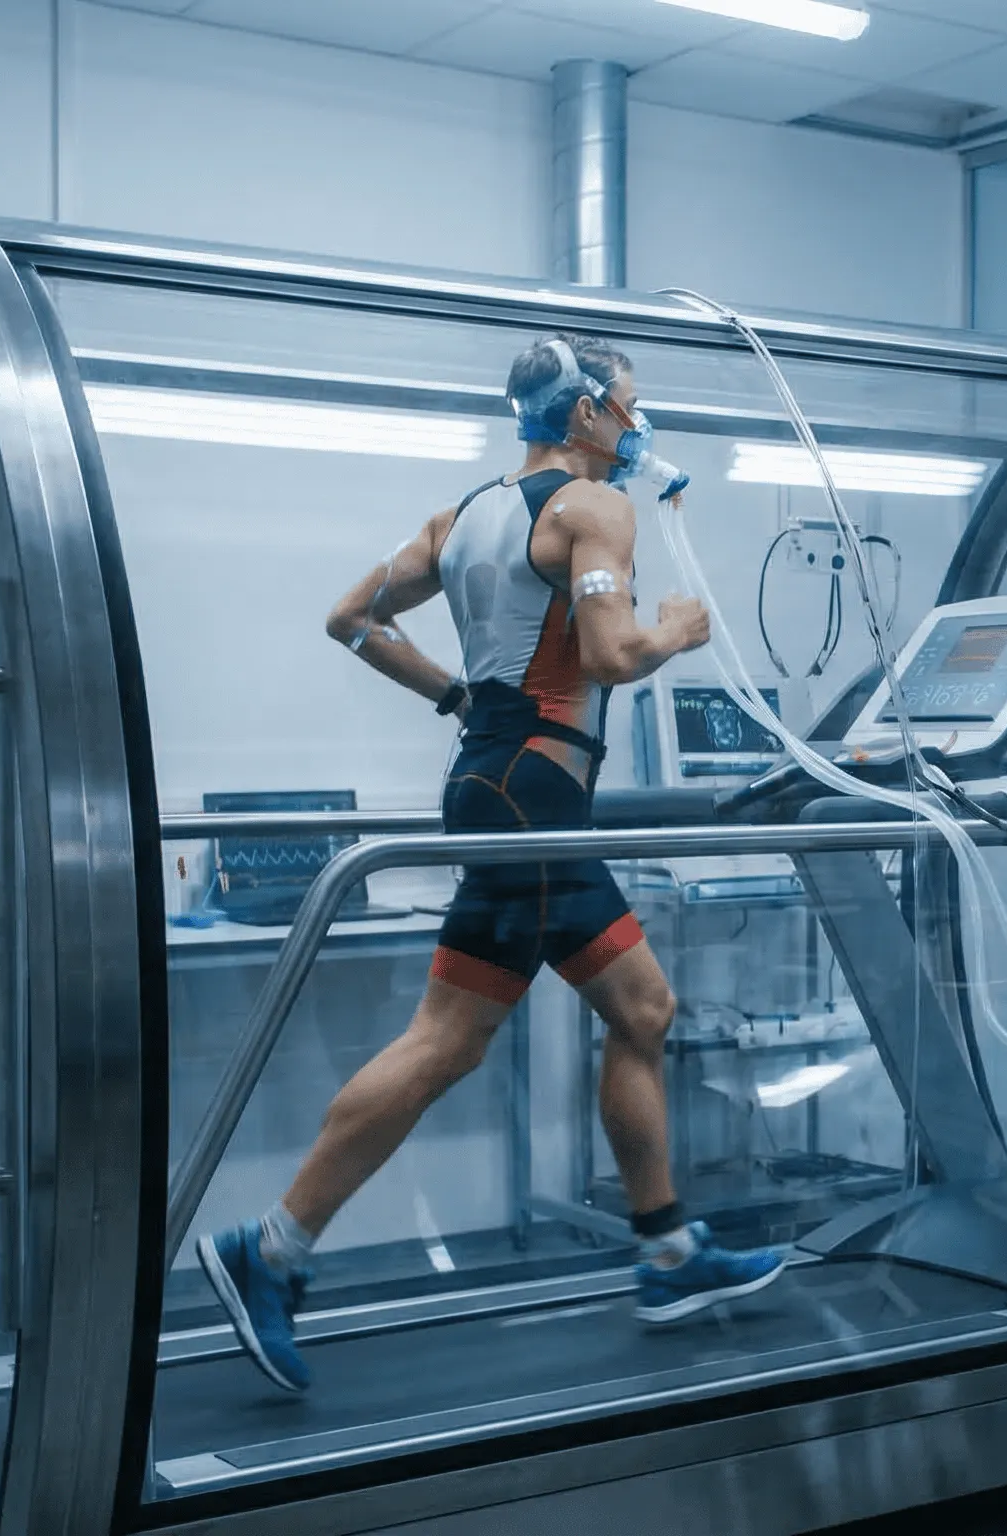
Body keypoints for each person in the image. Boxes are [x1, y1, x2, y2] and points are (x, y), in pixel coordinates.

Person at [196, 334, 788, 1393]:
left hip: (495, 782)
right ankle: (271, 1250)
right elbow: (610, 657)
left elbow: (351, 620)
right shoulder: (596, 509)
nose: (640, 425)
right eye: (630, 406)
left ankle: (661, 1252)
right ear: (588, 415)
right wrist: (676, 632)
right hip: (538, 797)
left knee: (615, 1013)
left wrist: (457, 696)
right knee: (474, 1038)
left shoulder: (460, 517)